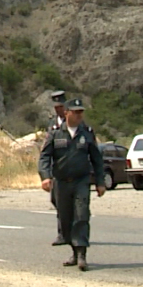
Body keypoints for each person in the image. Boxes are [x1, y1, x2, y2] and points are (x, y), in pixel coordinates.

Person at [38, 98, 105, 271]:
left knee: (81, 216)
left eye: (81, 112)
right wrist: (45, 177)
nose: (79, 115)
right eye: (75, 112)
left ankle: (82, 254)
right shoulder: (55, 133)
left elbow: (97, 159)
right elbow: (45, 157)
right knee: (65, 218)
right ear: (66, 113)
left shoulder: (87, 133)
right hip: (61, 182)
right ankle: (74, 252)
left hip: (81, 181)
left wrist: (100, 182)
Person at [47, 90, 66, 246]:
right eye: (56, 106)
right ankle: (64, 231)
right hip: (56, 169)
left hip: (71, 168)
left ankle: (64, 233)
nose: (57, 109)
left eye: (60, 106)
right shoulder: (53, 124)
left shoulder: (72, 122)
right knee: (56, 200)